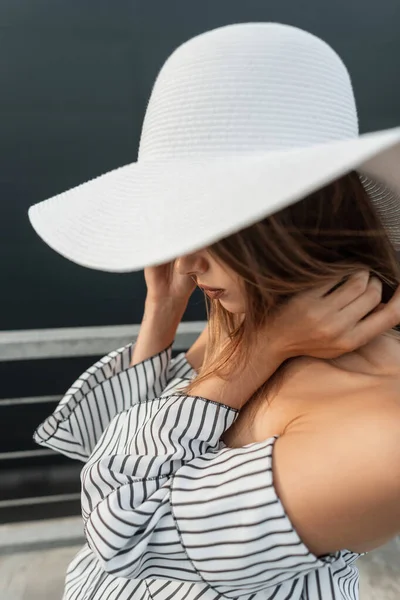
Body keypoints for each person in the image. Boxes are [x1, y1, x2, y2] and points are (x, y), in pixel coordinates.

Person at [29, 22, 400, 600]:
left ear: (291, 223)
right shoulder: (245, 321)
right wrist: (161, 313)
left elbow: (120, 530)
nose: (186, 261)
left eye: (210, 222)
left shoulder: (382, 433)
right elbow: (111, 444)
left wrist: (263, 352)